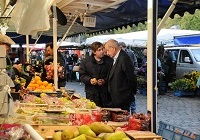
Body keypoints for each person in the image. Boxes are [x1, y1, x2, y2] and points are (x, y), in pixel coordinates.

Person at [104, 39, 137, 112]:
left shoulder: (124, 58)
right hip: (116, 97)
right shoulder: (116, 57)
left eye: (107, 50)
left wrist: (131, 93)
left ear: (113, 48)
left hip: (122, 97)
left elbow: (131, 76)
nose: (107, 53)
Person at [79, 42, 113, 107]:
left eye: (103, 49)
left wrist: (104, 80)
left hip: (105, 93)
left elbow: (112, 74)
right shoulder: (86, 61)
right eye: (99, 50)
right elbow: (82, 75)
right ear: (94, 52)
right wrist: (90, 80)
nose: (102, 51)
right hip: (91, 93)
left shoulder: (109, 61)